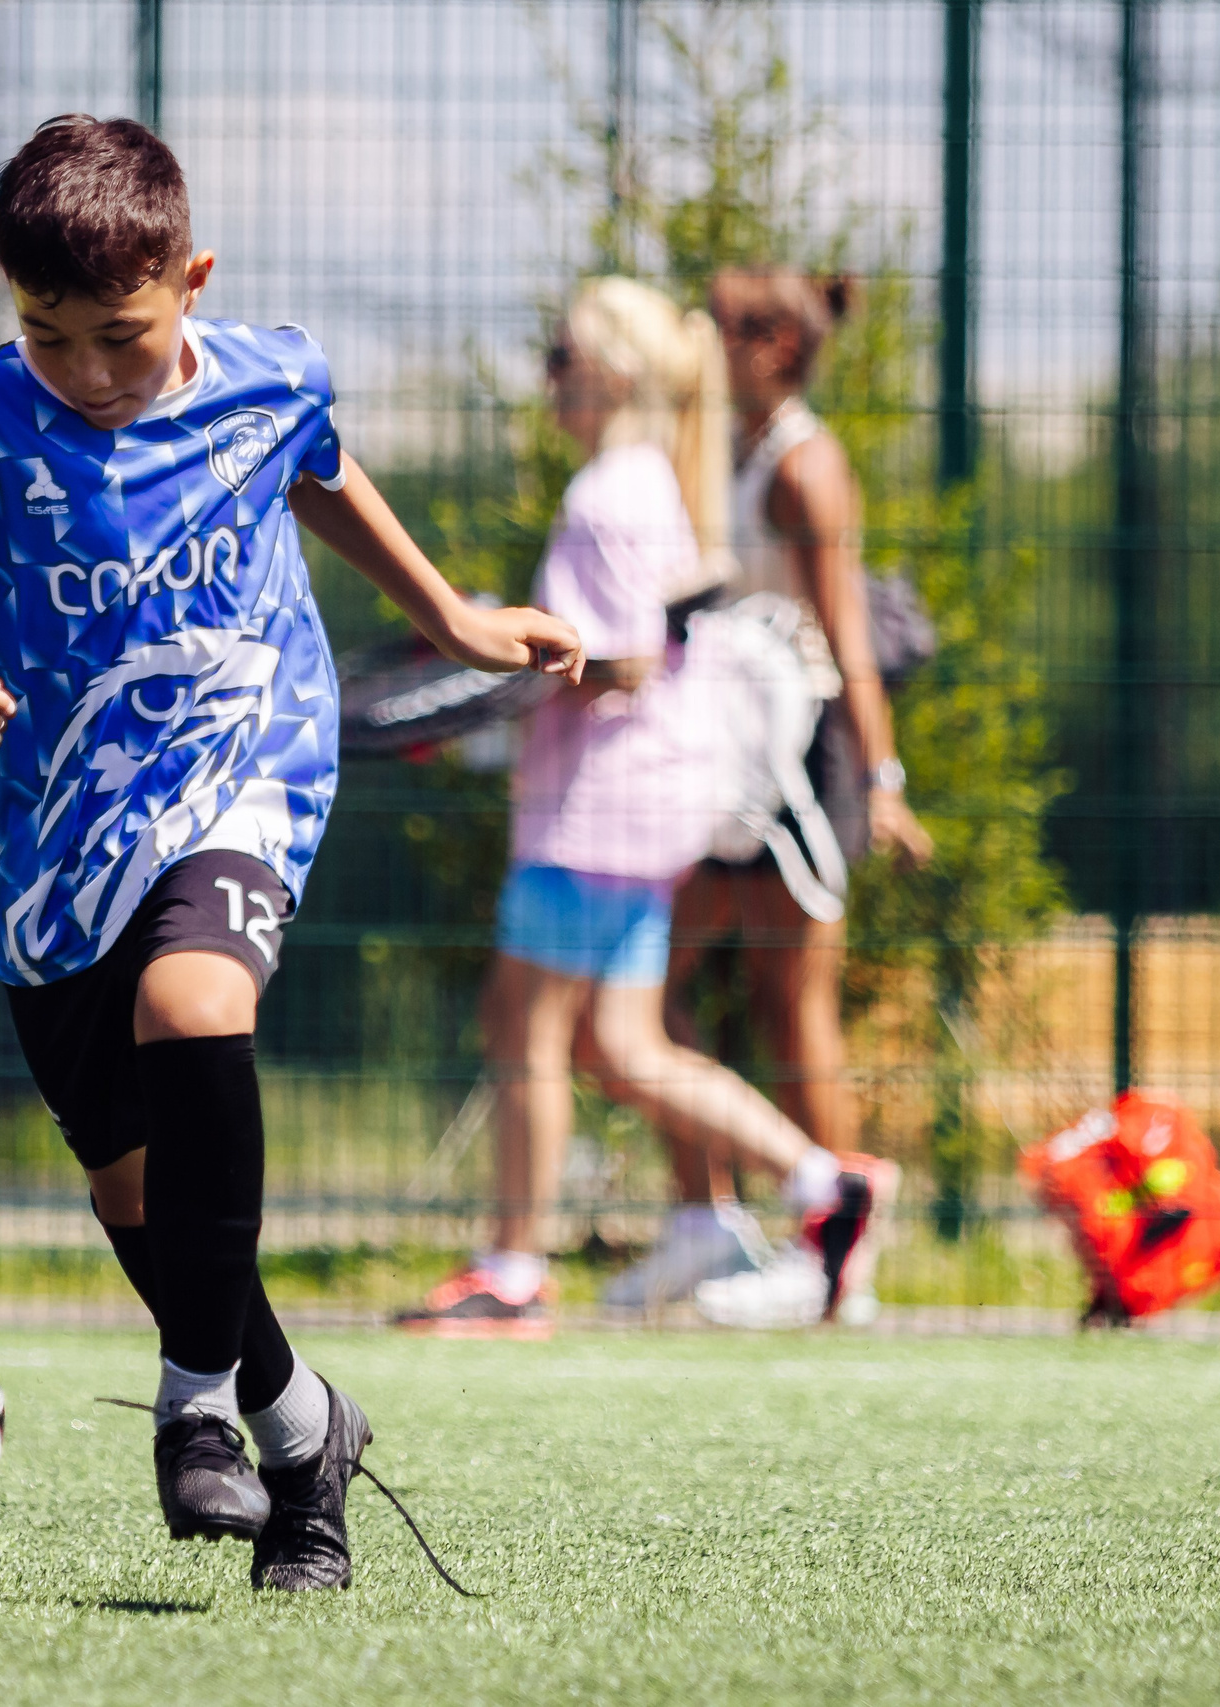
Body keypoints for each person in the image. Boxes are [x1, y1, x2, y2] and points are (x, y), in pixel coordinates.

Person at [0, 115, 581, 1592]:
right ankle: (305, 1438)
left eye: (119, 335)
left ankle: (194, 1409)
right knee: (135, 1198)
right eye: (49, 335)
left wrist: (455, 622)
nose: (88, 374)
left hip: (248, 764)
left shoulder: (272, 374)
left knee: (194, 1003)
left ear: (193, 279)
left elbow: (325, 470)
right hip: (51, 834)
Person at [390, 278, 898, 1339]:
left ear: (613, 374)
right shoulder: (647, 483)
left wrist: (486, 669)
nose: (551, 381)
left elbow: (617, 660)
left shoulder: (609, 494)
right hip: (629, 804)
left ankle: (513, 1267)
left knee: (524, 1025)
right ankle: (824, 1186)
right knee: (623, 1047)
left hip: (596, 807)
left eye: (562, 360)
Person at [662, 268, 933, 1330]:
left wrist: (881, 780)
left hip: (799, 762)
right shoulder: (723, 442)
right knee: (645, 987)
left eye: (717, 327)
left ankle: (836, 1265)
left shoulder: (805, 467)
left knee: (789, 1004)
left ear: (772, 346)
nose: (699, 340)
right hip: (732, 756)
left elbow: (847, 640)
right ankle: (704, 1223)